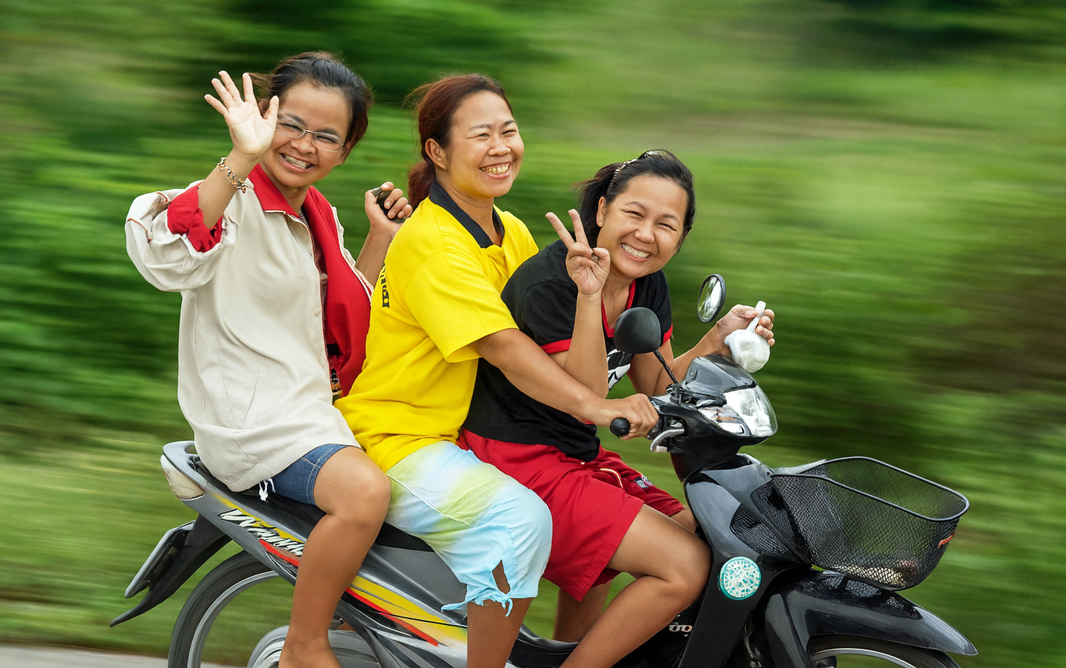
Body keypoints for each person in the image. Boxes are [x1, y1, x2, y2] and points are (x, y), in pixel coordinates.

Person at [334, 74, 657, 668]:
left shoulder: (510, 230)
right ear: (438, 151)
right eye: (480, 134)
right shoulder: (432, 241)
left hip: (473, 436)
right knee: (520, 520)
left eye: (508, 130)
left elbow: (550, 351)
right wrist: (597, 408)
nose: (500, 146)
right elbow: (504, 347)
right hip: (403, 438)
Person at [124, 52, 410, 668]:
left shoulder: (320, 216)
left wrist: (380, 238)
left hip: (310, 414)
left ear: (345, 151)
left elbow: (339, 316)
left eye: (326, 136)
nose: (305, 145)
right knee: (363, 496)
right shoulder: (232, 200)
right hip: (255, 423)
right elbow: (167, 253)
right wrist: (240, 158)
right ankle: (304, 648)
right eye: (292, 124)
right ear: (264, 117)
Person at [460, 149, 777, 667]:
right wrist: (590, 297)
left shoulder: (646, 285)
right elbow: (587, 398)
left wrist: (718, 339)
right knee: (684, 567)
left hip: (576, 455)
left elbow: (657, 384)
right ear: (603, 210)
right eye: (635, 213)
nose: (646, 234)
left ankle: (574, 652)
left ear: (681, 237)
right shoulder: (552, 285)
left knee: (706, 533)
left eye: (666, 224)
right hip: (515, 460)